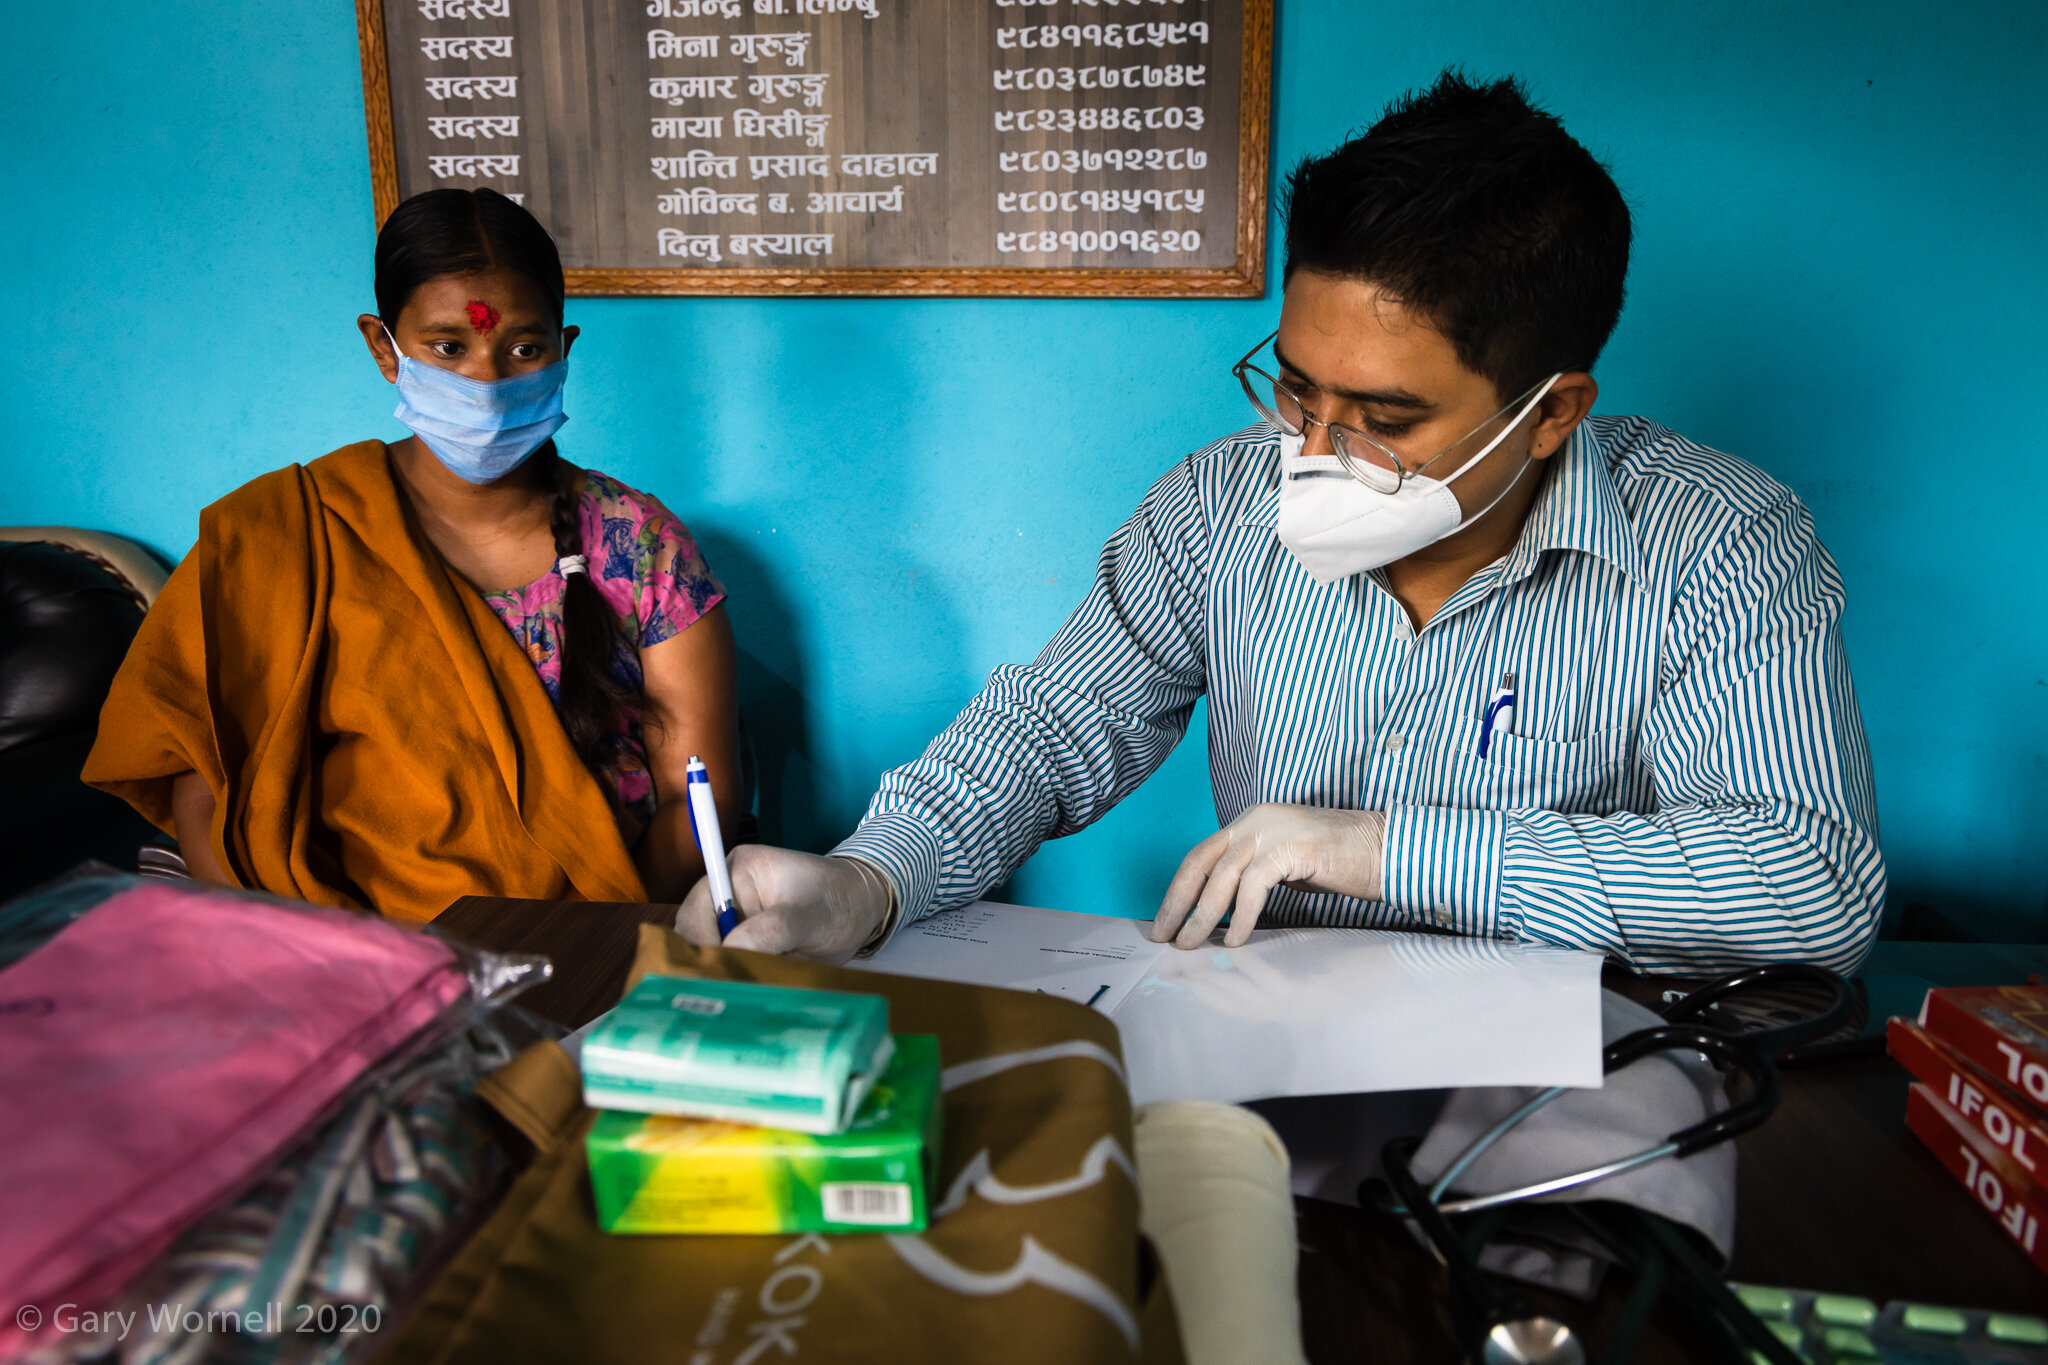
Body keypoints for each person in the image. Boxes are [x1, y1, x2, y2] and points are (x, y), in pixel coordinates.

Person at [679, 72, 1886, 974]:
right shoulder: (1215, 503)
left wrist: (1369, 848)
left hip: (1572, 1064)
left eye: (1384, 418)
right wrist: (866, 882)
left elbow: (1808, 884)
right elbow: (1051, 729)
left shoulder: (1717, 542)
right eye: (1297, 387)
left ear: (1549, 412)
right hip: (1274, 1045)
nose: (1306, 455)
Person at [85, 188, 740, 919]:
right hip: (343, 953)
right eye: (448, 347)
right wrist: (317, 955)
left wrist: (593, 946)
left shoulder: (640, 547)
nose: (486, 382)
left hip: (594, 941)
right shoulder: (290, 534)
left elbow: (700, 803)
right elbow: (210, 788)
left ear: (565, 349)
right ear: (382, 347)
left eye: (524, 347)